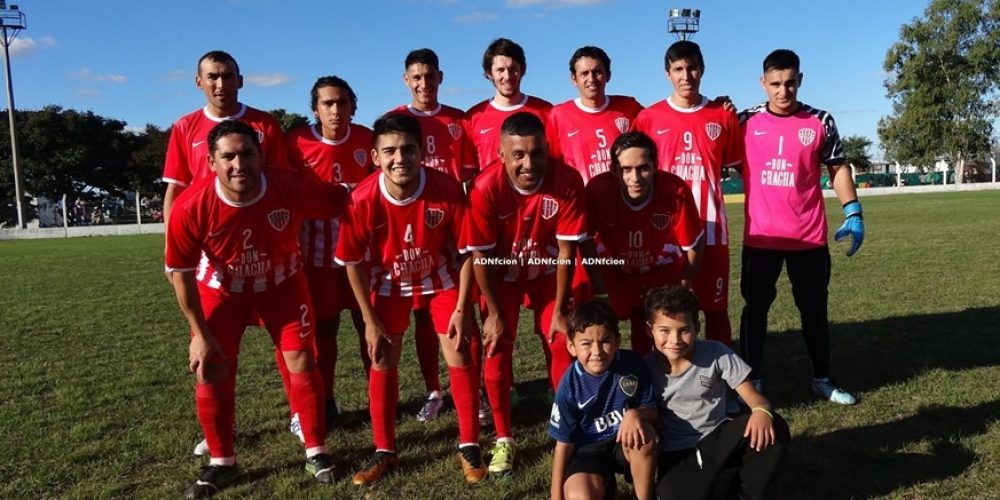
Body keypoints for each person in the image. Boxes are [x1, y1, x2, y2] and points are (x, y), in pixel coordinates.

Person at [165, 120, 347, 498]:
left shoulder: (290, 186)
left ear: (261, 156)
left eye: (247, 153)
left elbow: (342, 201)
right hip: (222, 294)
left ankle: (316, 450)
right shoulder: (190, 206)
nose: (238, 164)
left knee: (302, 360)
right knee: (212, 366)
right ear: (211, 162)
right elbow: (180, 276)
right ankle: (222, 462)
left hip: (281, 287)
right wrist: (199, 334)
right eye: (227, 156)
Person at [335, 113, 485, 485]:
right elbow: (351, 263)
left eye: (408, 149)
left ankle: (469, 444)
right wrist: (369, 320)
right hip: (388, 284)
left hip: (441, 278)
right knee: (383, 356)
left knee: (460, 349)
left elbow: (467, 252)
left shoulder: (447, 188)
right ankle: (384, 450)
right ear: (375, 156)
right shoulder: (362, 198)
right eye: (390, 151)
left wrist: (464, 308)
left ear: (422, 153)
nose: (399, 158)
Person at [738, 49, 865, 405]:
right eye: (775, 84)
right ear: (763, 83)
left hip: (808, 238)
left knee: (814, 310)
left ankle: (823, 378)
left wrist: (853, 210)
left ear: (800, 80)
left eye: (790, 82)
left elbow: (838, 167)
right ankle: (753, 381)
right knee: (755, 311)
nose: (783, 91)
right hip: (761, 238)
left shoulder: (820, 121)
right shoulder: (744, 121)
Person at [467, 112, 587, 475]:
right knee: (497, 344)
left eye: (536, 152)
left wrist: (561, 309)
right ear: (501, 154)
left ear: (547, 149)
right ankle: (504, 438)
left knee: (560, 339)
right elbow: (481, 257)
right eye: (518, 154)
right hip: (501, 277)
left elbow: (567, 252)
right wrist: (492, 313)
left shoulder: (566, 180)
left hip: (548, 272)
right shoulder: (486, 186)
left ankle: (566, 423)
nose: (529, 163)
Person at [387, 48, 479, 423]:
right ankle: (434, 390)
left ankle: (474, 392)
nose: (424, 84)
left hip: (452, 229)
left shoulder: (458, 120)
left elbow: (469, 176)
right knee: (423, 318)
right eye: (417, 77)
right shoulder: (395, 120)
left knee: (462, 313)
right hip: (414, 234)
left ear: (440, 77)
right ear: (406, 80)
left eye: (430, 76)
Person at [632, 41, 743, 347]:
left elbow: (736, 165)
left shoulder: (722, 115)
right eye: (678, 69)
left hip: (712, 231)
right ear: (668, 73)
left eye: (692, 67)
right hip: (665, 233)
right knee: (661, 312)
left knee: (716, 309)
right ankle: (657, 380)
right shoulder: (648, 119)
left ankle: (722, 379)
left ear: (702, 69)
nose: (686, 75)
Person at [283, 75, 373, 437]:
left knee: (368, 325)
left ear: (353, 105)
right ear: (315, 109)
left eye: (342, 102)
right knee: (324, 330)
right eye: (327, 104)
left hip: (361, 251)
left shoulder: (368, 139)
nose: (336, 110)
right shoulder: (296, 143)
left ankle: (378, 397)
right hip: (316, 255)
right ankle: (327, 400)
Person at [643, 285, 789, 500]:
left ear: (697, 327)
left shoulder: (716, 352)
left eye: (684, 330)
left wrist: (761, 411)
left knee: (774, 426)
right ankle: (718, 478)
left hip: (719, 436)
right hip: (678, 452)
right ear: (649, 330)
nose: (675, 339)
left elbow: (754, 397)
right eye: (664, 330)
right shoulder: (644, 369)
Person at [582, 131, 704, 355]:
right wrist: (600, 291)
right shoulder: (598, 189)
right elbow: (585, 241)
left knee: (662, 330)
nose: (635, 178)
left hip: (659, 268)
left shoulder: (674, 190)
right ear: (613, 170)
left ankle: (663, 379)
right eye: (626, 169)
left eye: (643, 168)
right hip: (613, 269)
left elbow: (694, 244)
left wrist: (683, 288)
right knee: (597, 328)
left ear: (655, 166)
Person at [162, 50, 289, 229]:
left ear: (240, 81)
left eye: (228, 76)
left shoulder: (266, 124)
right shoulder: (184, 126)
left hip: (258, 226)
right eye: (212, 77)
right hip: (206, 228)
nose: (221, 85)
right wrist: (171, 236)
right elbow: (176, 188)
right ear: (199, 82)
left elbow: (281, 181)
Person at [548, 300, 657, 500]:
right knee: (580, 496)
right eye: (586, 344)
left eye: (605, 341)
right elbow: (563, 444)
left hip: (623, 442)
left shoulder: (633, 364)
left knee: (645, 434)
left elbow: (653, 410)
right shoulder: (569, 386)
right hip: (588, 450)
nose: (597, 352)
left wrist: (635, 413)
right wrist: (555, 497)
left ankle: (643, 496)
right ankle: (604, 487)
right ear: (571, 347)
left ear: (617, 340)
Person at [547, 46, 644, 184]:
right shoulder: (558, 115)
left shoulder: (629, 107)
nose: (591, 78)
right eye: (584, 73)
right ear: (574, 79)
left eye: (597, 72)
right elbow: (550, 164)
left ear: (608, 75)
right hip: (583, 199)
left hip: (624, 199)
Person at [466, 38, 552, 170]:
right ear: (489, 73)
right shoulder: (473, 118)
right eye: (500, 70)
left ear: (522, 70)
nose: (507, 76)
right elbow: (471, 172)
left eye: (513, 69)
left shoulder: (546, 111)